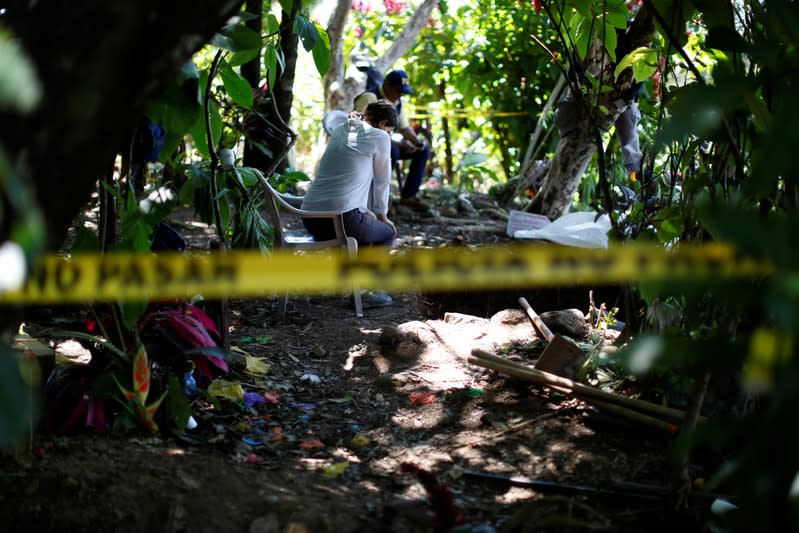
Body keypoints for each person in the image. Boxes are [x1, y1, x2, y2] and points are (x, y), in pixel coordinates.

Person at [300, 100, 399, 308]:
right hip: (340, 220)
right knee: (386, 233)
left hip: (310, 218)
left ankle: (348, 287)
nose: (388, 135)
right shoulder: (380, 137)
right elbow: (382, 181)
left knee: (363, 231)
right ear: (382, 124)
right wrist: (382, 215)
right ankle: (365, 291)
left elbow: (347, 177)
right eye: (389, 131)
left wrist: (365, 211)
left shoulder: (341, 129)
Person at [354, 69, 431, 210]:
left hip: (385, 144)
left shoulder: (398, 103)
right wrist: (399, 145)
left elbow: (405, 128)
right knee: (393, 151)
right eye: (398, 90)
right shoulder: (370, 97)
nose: (400, 95)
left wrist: (417, 141)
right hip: (366, 146)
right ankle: (379, 200)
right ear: (388, 85)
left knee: (422, 151)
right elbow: (365, 131)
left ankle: (408, 196)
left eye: (402, 92)